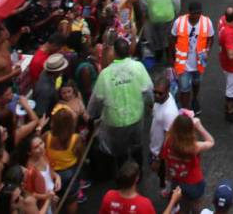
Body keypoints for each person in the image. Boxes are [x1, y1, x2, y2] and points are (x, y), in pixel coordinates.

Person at [87, 37, 153, 168]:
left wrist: (91, 115)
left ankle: (124, 177)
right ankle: (138, 173)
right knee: (136, 146)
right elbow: (148, 90)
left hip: (115, 121)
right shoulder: (138, 67)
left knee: (120, 152)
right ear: (128, 51)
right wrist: (150, 106)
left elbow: (96, 100)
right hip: (136, 116)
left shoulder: (105, 74)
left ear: (115, 53)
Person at [161, 113, 214, 214]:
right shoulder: (194, 147)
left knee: (182, 206)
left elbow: (166, 163)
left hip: (177, 181)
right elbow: (211, 141)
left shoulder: (168, 141)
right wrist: (199, 126)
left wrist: (168, 180)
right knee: (196, 206)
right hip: (194, 183)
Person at [170, 2, 214, 112]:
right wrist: (172, 59)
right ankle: (185, 110)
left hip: (199, 61)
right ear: (189, 13)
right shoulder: (179, 22)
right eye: (194, 13)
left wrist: (207, 51)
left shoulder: (206, 22)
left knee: (196, 82)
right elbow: (172, 39)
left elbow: (211, 38)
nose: (197, 16)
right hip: (183, 63)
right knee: (184, 87)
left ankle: (194, 99)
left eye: (199, 13)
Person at [44, 109, 84, 214]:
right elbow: (80, 157)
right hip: (69, 174)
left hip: (51, 174)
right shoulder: (76, 139)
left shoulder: (46, 136)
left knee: (53, 201)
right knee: (71, 199)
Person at [149, 74, 179, 197]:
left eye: (160, 93)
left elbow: (168, 140)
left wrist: (158, 159)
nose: (156, 95)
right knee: (160, 173)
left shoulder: (169, 112)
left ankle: (170, 193)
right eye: (155, 92)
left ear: (167, 91)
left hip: (160, 153)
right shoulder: (161, 100)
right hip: (155, 147)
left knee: (165, 174)